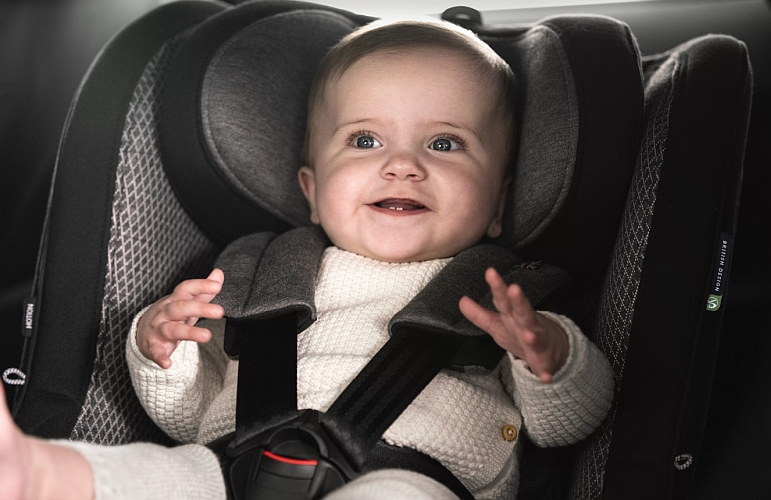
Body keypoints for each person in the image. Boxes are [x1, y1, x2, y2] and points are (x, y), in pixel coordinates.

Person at [0, 19, 613, 500]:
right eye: (365, 140)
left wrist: (550, 359)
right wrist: (161, 349)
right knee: (164, 475)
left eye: (445, 143)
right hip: (234, 466)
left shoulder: (504, 300)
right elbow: (188, 416)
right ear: (312, 191)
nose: (402, 165)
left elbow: (567, 424)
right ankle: (43, 475)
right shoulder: (260, 276)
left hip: (413, 477)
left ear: (499, 204)